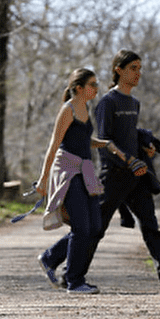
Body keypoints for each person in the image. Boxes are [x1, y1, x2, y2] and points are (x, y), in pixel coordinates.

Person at [92, 50, 160, 292]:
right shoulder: (107, 103)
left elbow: (128, 135)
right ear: (118, 70)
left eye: (140, 68)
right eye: (133, 68)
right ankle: (63, 266)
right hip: (114, 174)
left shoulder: (134, 103)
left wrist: (146, 146)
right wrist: (126, 161)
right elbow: (105, 142)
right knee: (95, 227)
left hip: (137, 175)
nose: (139, 73)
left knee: (151, 225)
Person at [34, 67, 114, 295]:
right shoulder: (67, 109)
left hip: (85, 171)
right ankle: (75, 281)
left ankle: (50, 258)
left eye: (97, 85)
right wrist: (43, 179)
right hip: (68, 172)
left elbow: (82, 140)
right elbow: (54, 144)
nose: (97, 89)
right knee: (81, 227)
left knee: (95, 226)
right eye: (93, 85)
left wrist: (104, 144)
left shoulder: (85, 107)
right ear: (79, 88)